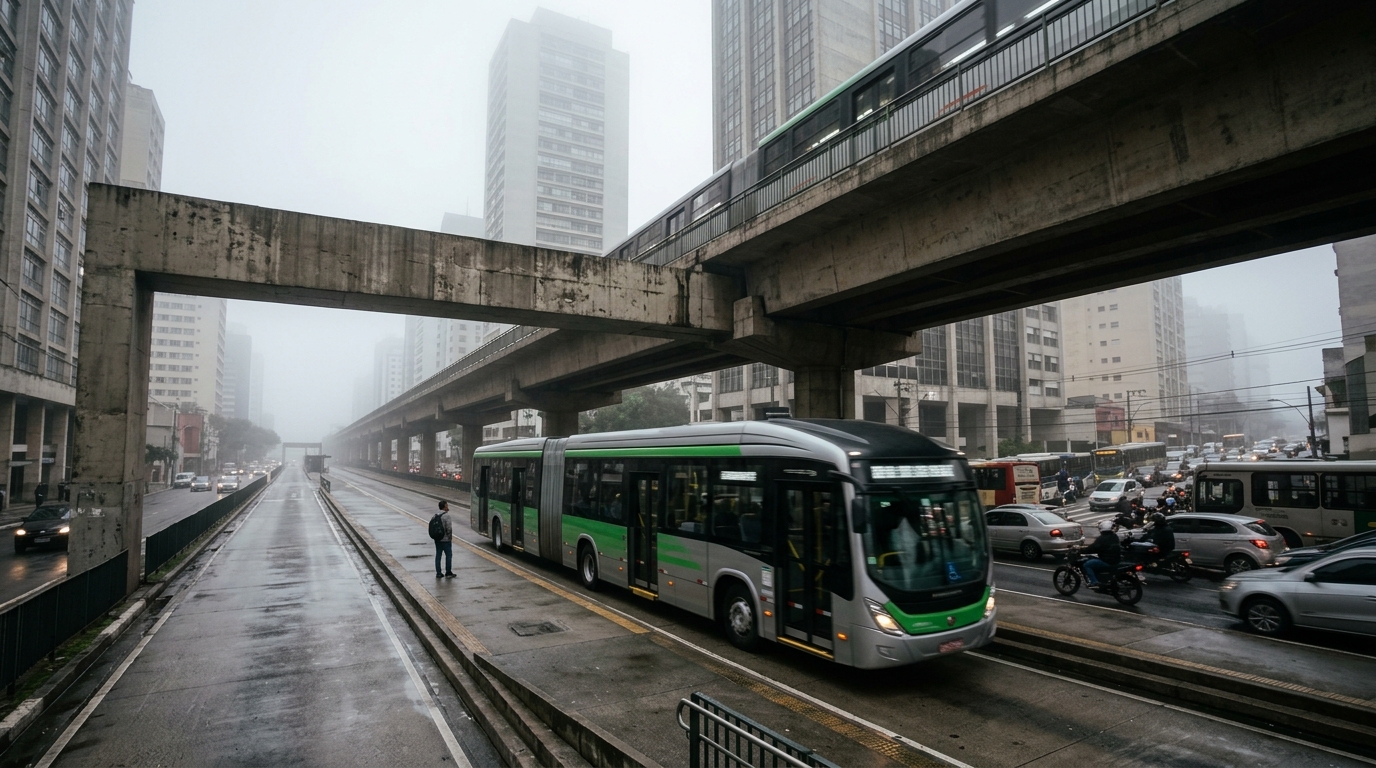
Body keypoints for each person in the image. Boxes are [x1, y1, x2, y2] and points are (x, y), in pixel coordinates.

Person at [1082, 520, 1122, 588]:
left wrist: (1082, 551)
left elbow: (1093, 548)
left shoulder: (1101, 538)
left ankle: (1094, 582)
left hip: (1107, 561)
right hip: (1115, 560)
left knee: (1087, 565)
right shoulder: (1114, 536)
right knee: (1092, 559)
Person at [434, 500, 455, 578]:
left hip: (437, 539)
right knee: (448, 555)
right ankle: (448, 572)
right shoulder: (446, 516)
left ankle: (438, 573)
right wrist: (449, 538)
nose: (448, 507)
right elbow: (448, 528)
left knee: (438, 555)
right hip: (446, 540)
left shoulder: (435, 515)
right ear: (445, 506)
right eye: (447, 505)